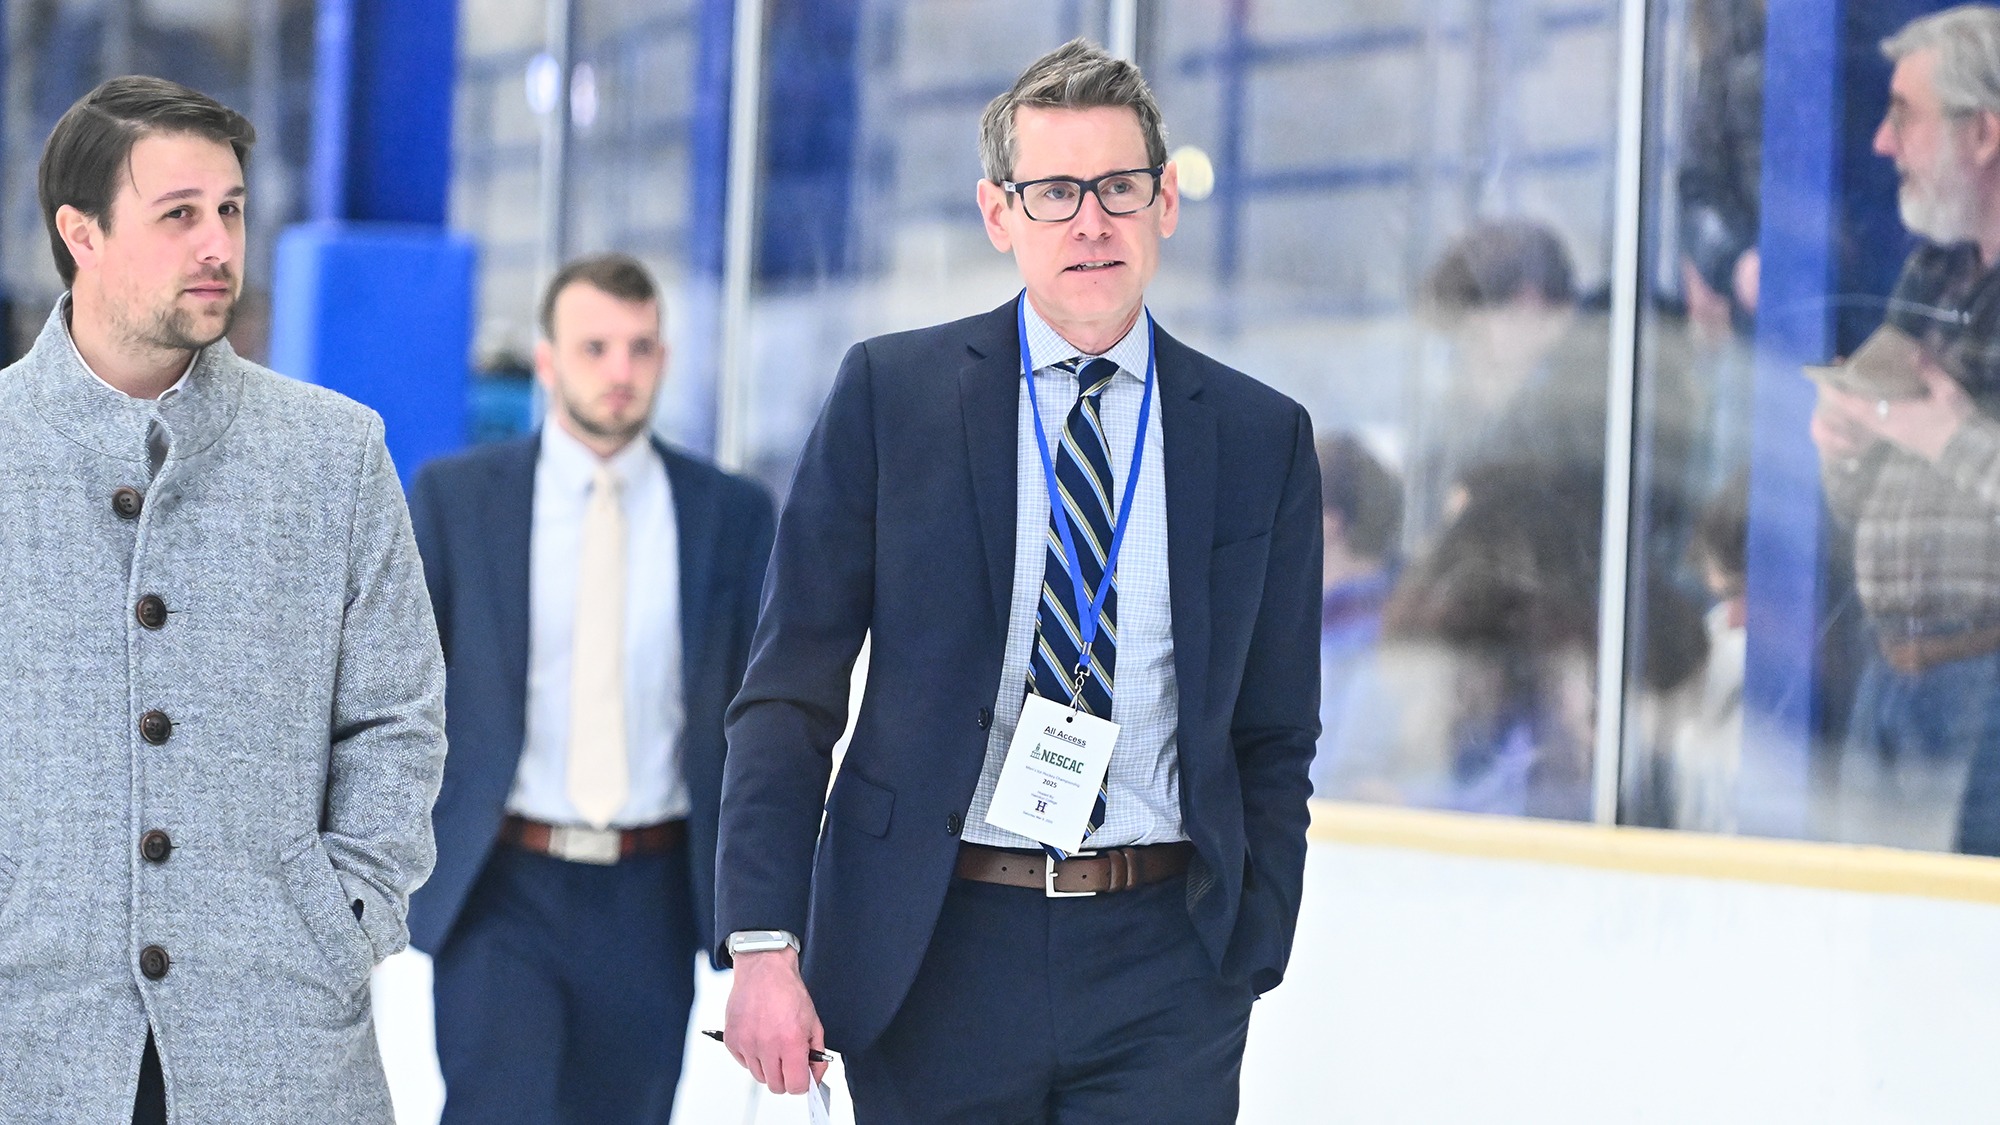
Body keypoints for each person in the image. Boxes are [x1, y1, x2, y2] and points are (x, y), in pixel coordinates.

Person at [714, 39, 1321, 1122]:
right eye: (1053, 192)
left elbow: (1275, 726)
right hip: (935, 944)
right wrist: (763, 940)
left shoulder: (1257, 436)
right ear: (999, 215)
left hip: (1164, 961)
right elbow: (789, 688)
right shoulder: (888, 398)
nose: (1090, 222)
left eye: (1117, 187)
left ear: (1164, 201)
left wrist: (1249, 943)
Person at [0, 76, 445, 1122]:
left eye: (232, 210)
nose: (218, 244)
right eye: (179, 214)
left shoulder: (335, 453)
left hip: (279, 1034)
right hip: (32, 1035)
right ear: (83, 233)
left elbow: (399, 715)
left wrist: (343, 913)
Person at [406, 253, 775, 1123]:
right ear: (547, 360)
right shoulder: (460, 501)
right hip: (502, 882)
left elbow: (758, 715)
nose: (620, 371)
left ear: (665, 358)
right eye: (596, 347)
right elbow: (402, 692)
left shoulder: (730, 514)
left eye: (641, 348)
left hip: (651, 893)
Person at [1810, 5, 2000, 856]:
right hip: (1892, 674)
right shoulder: (1933, 271)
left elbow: (1932, 440)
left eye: (1904, 114)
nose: (1884, 144)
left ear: (1985, 133)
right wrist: (1844, 442)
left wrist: (1944, 437)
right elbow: (1866, 479)